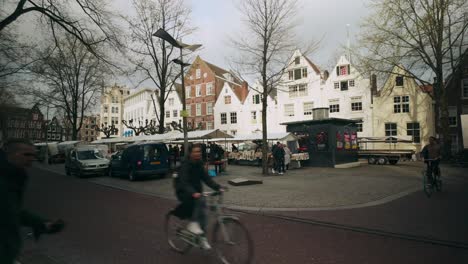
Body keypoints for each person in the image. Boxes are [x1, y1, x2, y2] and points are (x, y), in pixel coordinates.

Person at [1, 139, 64, 264]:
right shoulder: (5, 180)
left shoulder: (13, 177)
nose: (32, 159)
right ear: (10, 154)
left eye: (33, 155)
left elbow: (11, 211)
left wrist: (42, 223)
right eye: (26, 155)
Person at [173, 143, 224, 250]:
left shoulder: (199, 164)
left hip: (196, 193)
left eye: (199, 151)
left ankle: (202, 239)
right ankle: (193, 223)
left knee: (204, 216)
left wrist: (218, 187)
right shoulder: (185, 165)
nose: (198, 153)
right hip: (183, 191)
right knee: (197, 207)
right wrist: (193, 192)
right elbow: (184, 182)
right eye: (195, 152)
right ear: (190, 153)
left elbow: (206, 179)